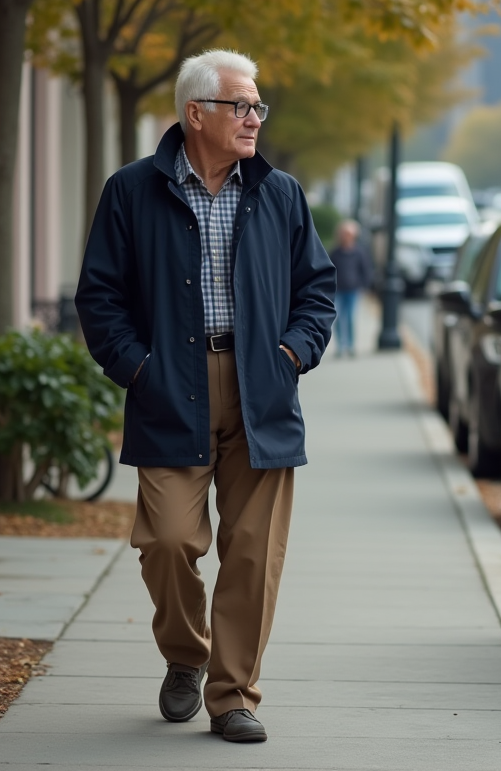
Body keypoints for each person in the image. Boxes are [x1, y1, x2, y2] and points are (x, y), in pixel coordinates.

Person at [74, 49, 335, 744]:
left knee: (252, 553)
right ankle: (186, 656)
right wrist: (138, 369)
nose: (254, 118)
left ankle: (233, 695)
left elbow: (318, 289)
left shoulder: (279, 193)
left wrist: (291, 354)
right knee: (165, 542)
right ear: (197, 115)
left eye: (258, 107)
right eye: (241, 106)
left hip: (262, 391)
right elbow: (98, 298)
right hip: (169, 389)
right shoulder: (131, 191)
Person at [328, 219, 372, 356]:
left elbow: (366, 270)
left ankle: (351, 345)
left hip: (353, 290)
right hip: (338, 290)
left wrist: (364, 285)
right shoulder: (335, 252)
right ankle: (341, 345)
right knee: (339, 317)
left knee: (350, 318)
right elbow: (329, 271)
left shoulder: (359, 252)